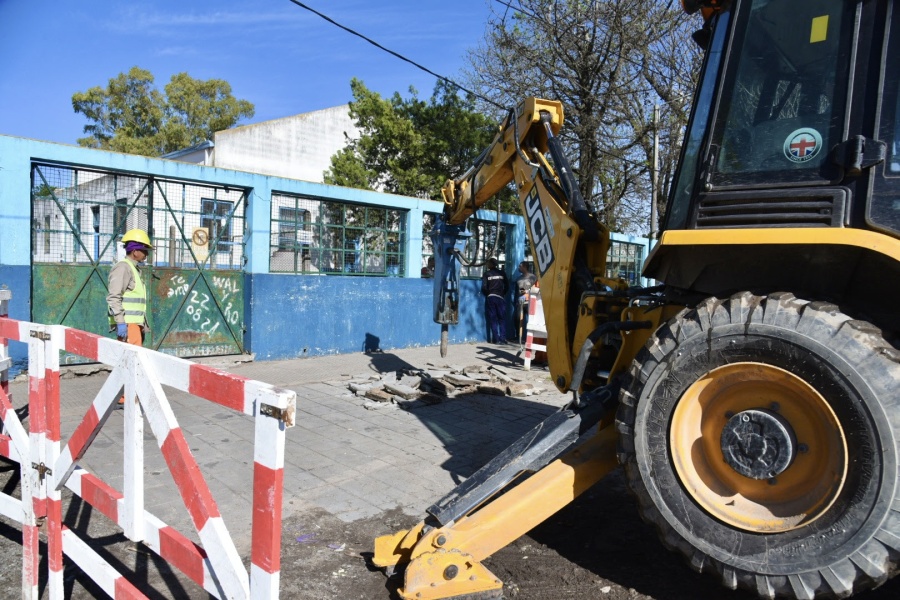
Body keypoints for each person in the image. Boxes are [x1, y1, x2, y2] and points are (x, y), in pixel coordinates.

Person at [107, 228, 152, 402]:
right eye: (145, 250)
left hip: (134, 324)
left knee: (130, 360)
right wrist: (120, 322)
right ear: (135, 251)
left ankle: (125, 395)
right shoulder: (123, 268)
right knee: (131, 361)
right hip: (128, 324)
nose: (146, 254)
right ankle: (126, 397)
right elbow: (114, 296)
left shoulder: (133, 269)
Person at [481, 257, 508, 344]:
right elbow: (507, 285)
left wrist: (488, 294)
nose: (487, 265)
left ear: (491, 264)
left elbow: (484, 287)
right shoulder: (502, 273)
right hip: (500, 297)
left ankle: (496, 339)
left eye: (488, 263)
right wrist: (502, 293)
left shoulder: (486, 274)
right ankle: (502, 338)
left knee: (493, 318)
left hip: (491, 297)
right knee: (502, 318)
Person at [514, 261, 537, 344]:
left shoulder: (533, 277)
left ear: (525, 267)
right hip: (521, 302)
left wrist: (526, 293)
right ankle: (519, 337)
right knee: (517, 319)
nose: (519, 268)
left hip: (530, 302)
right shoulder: (519, 279)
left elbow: (535, 288)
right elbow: (518, 290)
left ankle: (533, 338)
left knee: (532, 320)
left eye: (520, 266)